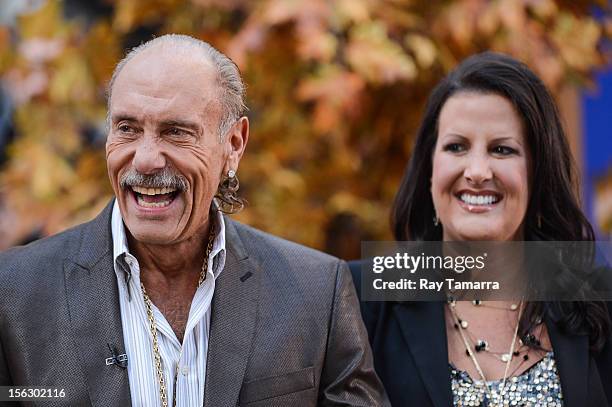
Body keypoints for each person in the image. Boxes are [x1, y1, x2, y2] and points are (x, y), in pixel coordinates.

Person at [0, 34, 389, 406]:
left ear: (233, 145)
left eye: (176, 132)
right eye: (127, 129)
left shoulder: (316, 291)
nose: (145, 159)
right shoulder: (13, 292)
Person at [350, 52, 612, 406]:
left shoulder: (597, 302)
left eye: (502, 150)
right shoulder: (360, 301)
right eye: (456, 147)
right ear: (430, 168)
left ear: (537, 172)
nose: (477, 171)